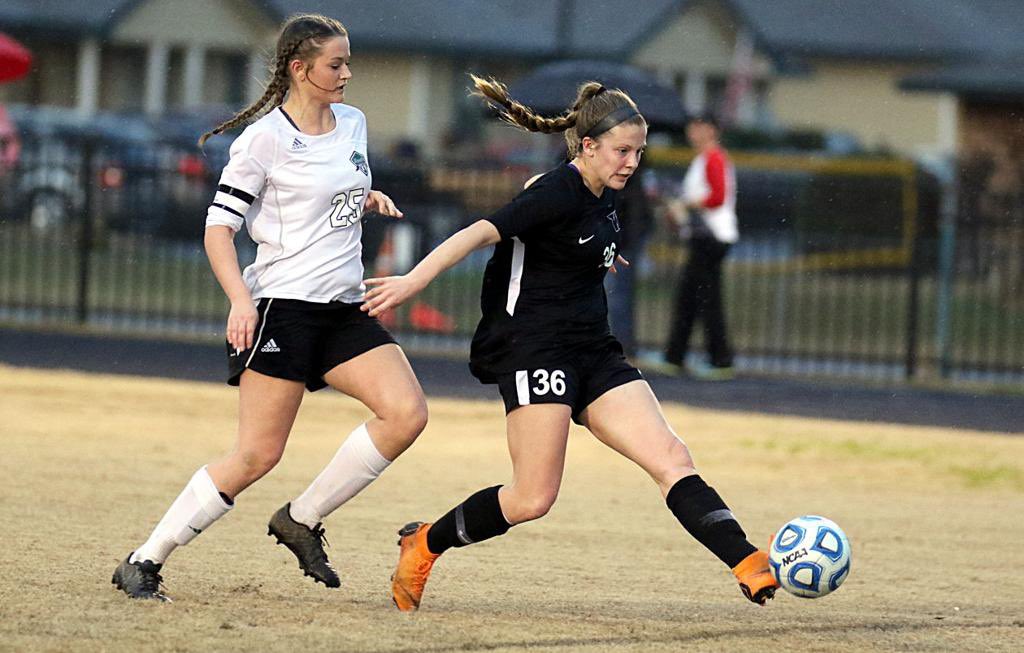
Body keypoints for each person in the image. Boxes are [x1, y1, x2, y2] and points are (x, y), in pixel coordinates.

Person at [361, 76, 778, 611]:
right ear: (588, 146)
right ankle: (424, 543)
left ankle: (747, 560)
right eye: (622, 150)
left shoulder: (604, 195)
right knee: (533, 497)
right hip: (534, 349)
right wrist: (412, 280)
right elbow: (479, 232)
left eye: (639, 151)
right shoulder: (554, 190)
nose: (632, 161)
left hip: (593, 350)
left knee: (672, 456)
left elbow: (576, 243)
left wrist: (601, 254)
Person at [111, 13, 428, 602]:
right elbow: (217, 230)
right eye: (336, 64)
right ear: (298, 68)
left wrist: (365, 195)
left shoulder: (352, 122)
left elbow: (334, 189)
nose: (347, 74)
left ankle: (301, 519)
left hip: (341, 307)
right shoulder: (264, 139)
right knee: (256, 455)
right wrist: (239, 299)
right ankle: (144, 560)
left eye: (348, 62)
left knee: (406, 413)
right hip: (283, 308)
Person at [663, 112, 738, 380]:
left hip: (711, 237)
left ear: (709, 129)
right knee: (692, 297)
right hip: (704, 237)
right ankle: (676, 355)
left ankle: (719, 360)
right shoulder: (704, 159)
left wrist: (684, 204)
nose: (691, 133)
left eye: (696, 127)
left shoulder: (713, 157)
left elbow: (717, 197)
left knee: (706, 299)